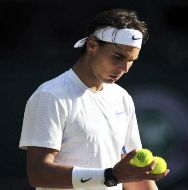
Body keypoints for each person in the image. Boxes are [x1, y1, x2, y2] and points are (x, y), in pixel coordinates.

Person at [19, 9, 169, 190]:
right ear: (91, 45)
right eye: (118, 57)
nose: (125, 68)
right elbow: (39, 174)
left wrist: (120, 176)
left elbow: (134, 177)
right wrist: (110, 176)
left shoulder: (122, 98)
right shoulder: (50, 96)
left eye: (131, 60)